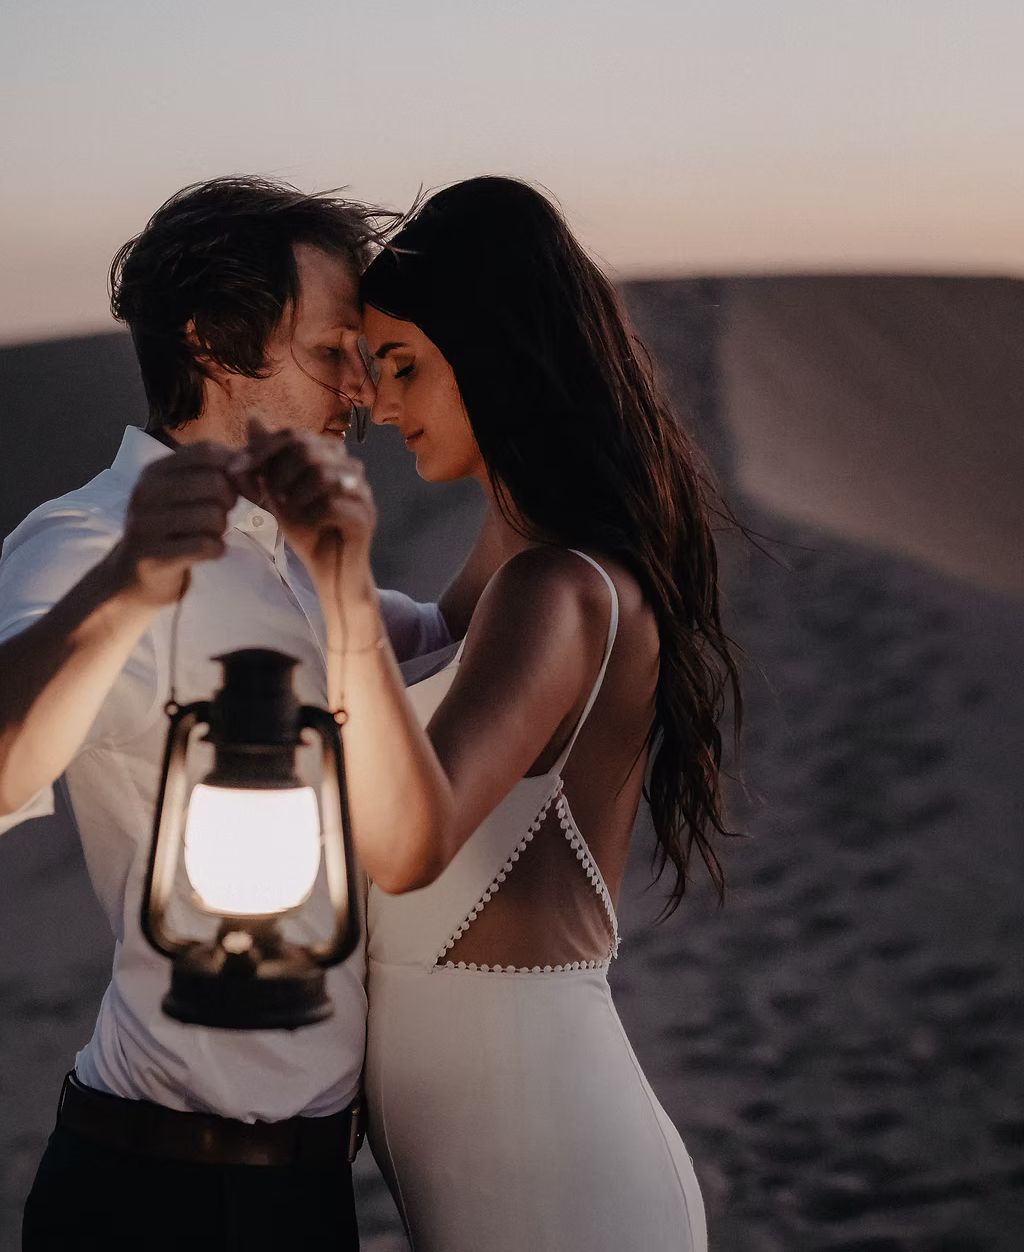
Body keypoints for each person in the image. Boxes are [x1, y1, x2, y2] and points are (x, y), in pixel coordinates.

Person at [0, 177, 452, 1252]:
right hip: (158, 1193)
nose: (360, 394)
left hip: (307, 1195)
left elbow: (464, 643)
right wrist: (127, 585)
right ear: (214, 345)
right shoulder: (83, 542)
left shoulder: (294, 556)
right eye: (331, 351)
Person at [235, 176, 740, 1252]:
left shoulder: (556, 591)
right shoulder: (501, 575)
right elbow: (372, 683)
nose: (377, 400)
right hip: (495, 1184)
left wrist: (337, 585)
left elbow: (411, 842)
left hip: (566, 1187)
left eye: (406, 365)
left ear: (499, 356)